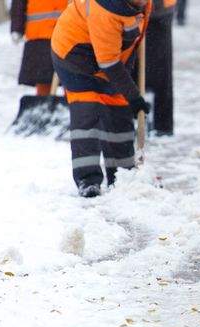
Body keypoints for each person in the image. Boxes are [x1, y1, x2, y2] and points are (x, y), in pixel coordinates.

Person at [51, 0, 152, 198]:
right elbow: (110, 63)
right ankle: (88, 181)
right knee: (87, 115)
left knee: (119, 112)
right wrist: (133, 96)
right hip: (75, 57)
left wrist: (127, 88)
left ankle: (122, 175)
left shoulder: (140, 4)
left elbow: (125, 46)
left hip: (108, 57)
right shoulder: (104, 9)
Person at [10, 0, 68, 96]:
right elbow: (18, 3)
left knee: (72, 78)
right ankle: (43, 101)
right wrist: (17, 27)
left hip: (68, 34)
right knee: (42, 78)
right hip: (39, 35)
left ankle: (72, 105)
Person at [147, 0, 176, 136]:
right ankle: (129, 117)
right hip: (128, 11)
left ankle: (163, 125)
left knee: (161, 70)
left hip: (159, 12)